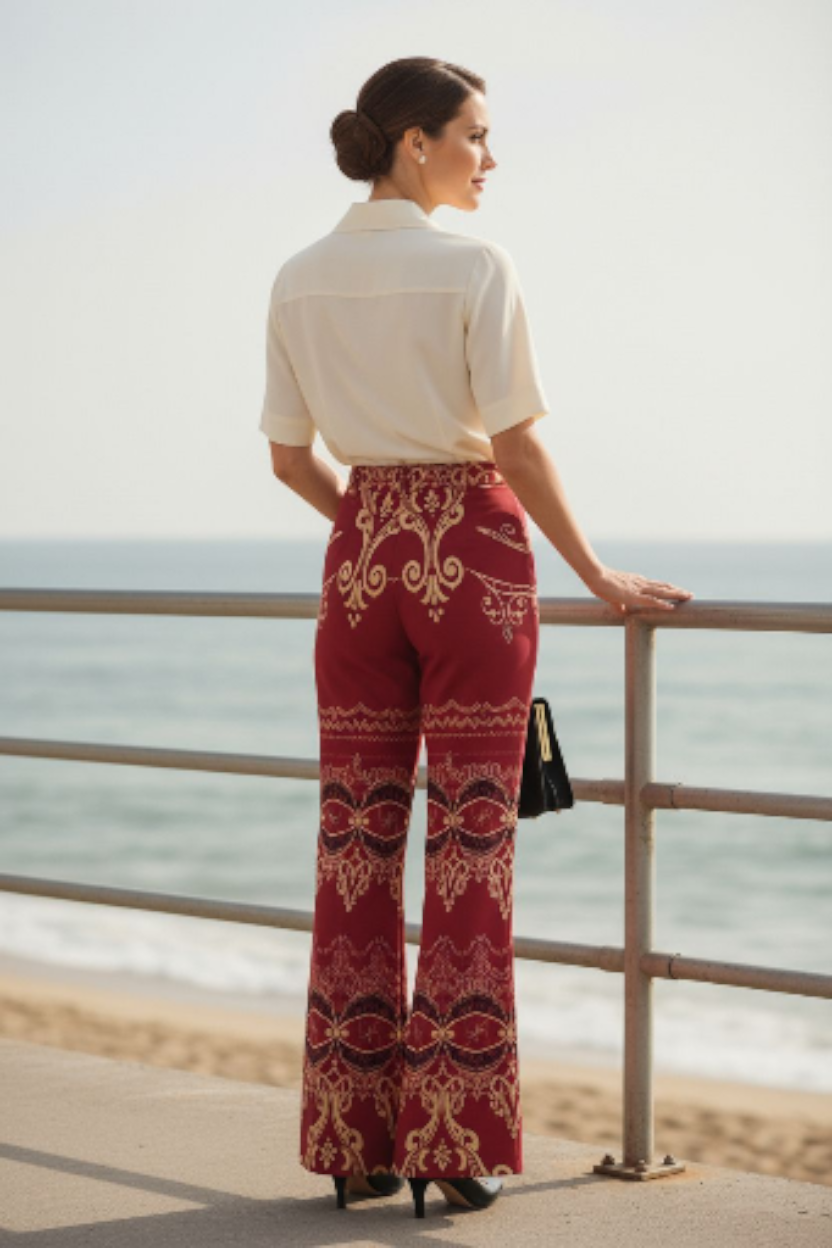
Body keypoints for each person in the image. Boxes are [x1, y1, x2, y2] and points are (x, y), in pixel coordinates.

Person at [259, 57, 694, 1221]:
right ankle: (452, 1139)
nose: (489, 159)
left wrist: (376, 529)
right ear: (416, 143)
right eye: (475, 136)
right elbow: (516, 442)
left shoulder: (297, 277)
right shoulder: (473, 265)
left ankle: (353, 1142)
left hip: (360, 560)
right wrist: (595, 573)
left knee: (354, 840)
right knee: (469, 843)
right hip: (473, 559)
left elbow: (289, 459)